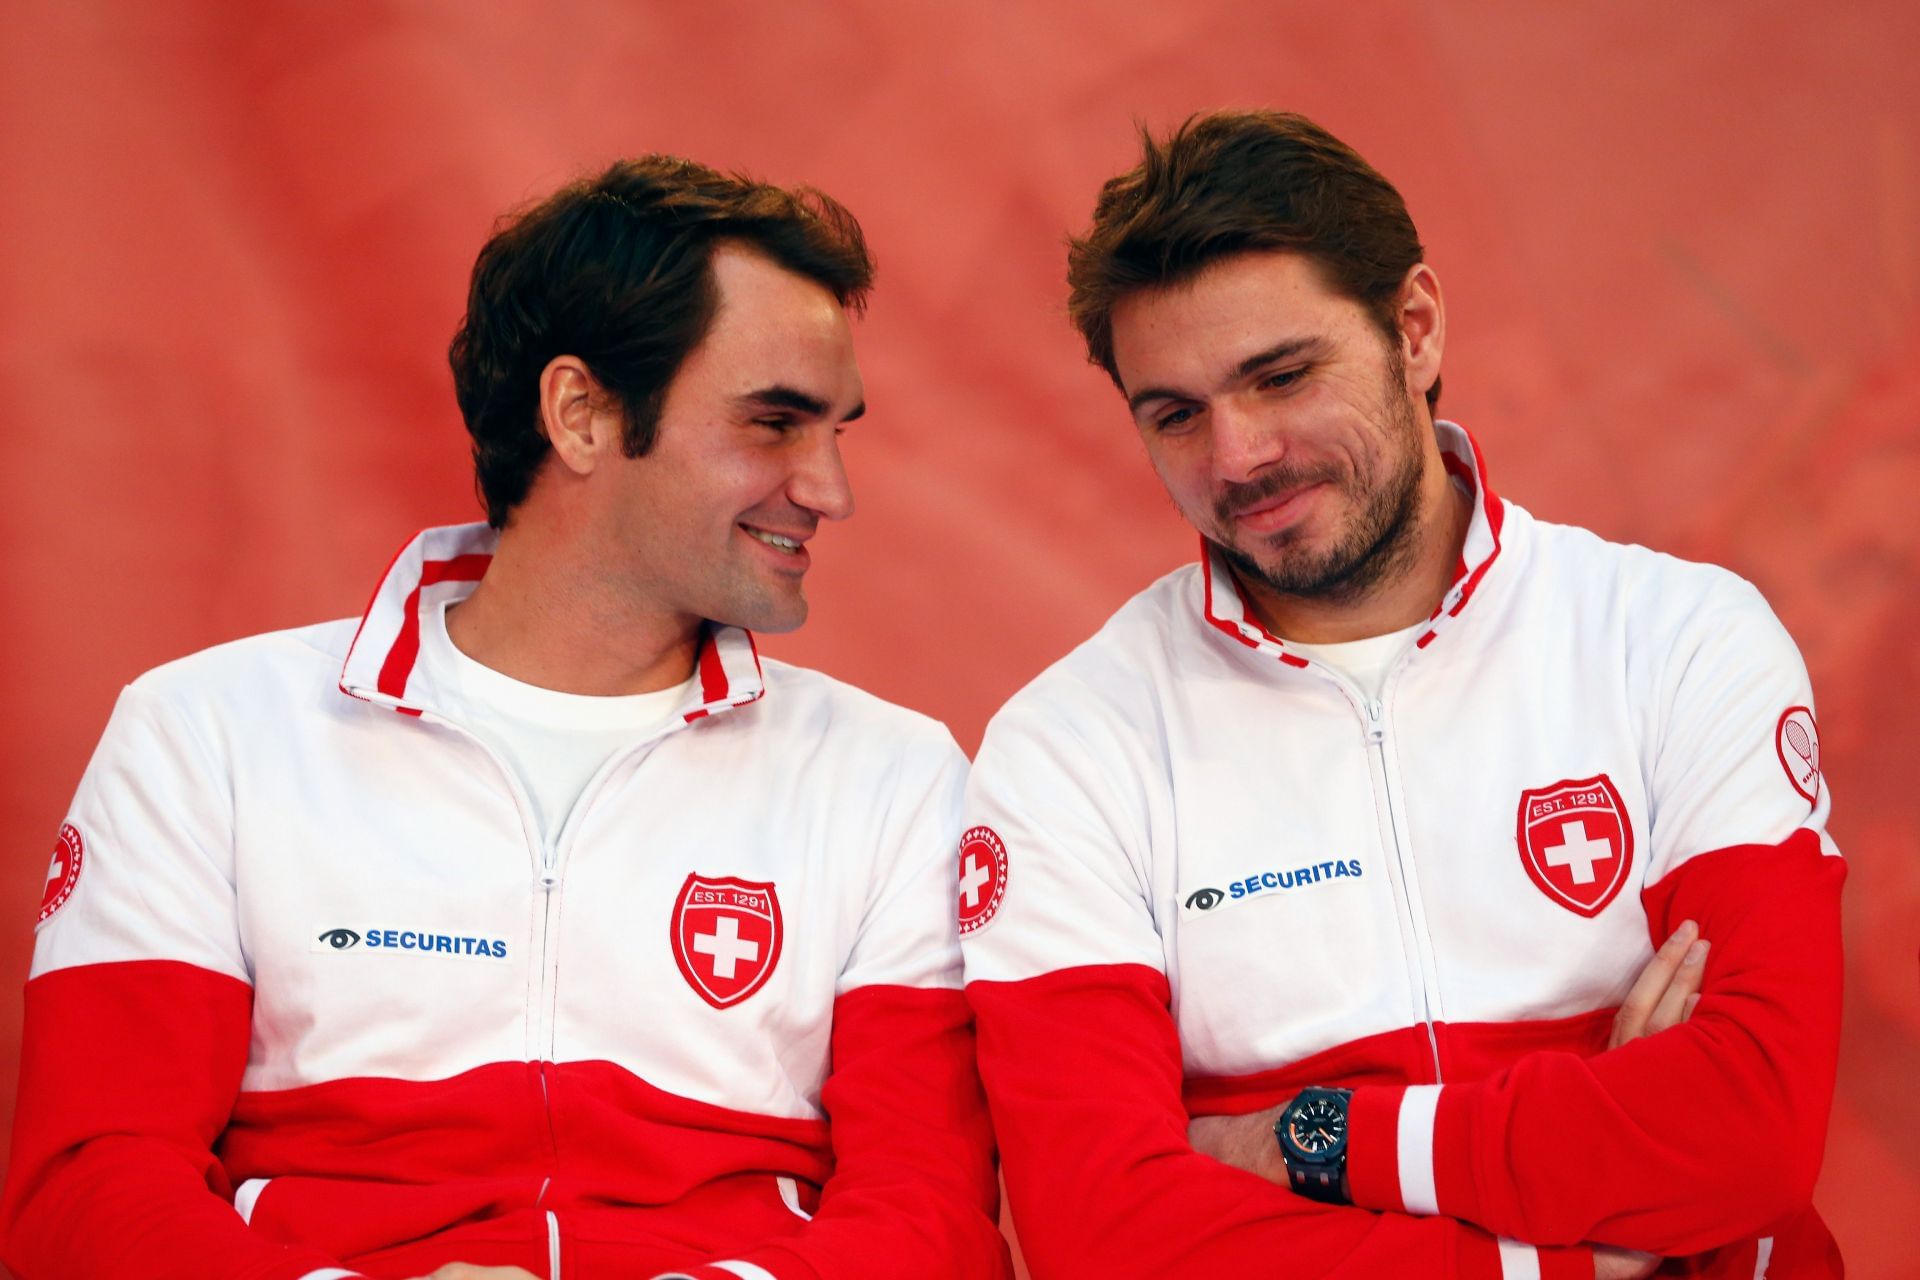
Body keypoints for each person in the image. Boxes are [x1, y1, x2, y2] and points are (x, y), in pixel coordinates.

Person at [3, 156, 1011, 1280]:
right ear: (580, 413)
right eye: (775, 422)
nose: (831, 487)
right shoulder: (203, 733)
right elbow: (88, 1188)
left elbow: (936, 1218)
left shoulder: (893, 776)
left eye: (837, 430)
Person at [958, 110, 1843, 1279]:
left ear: (1414, 328)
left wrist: (1311, 1139)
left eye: (1281, 375)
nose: (1237, 457)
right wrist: (1564, 1251)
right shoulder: (1068, 747)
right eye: (1174, 413)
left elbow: (1748, 1130)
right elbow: (1107, 1236)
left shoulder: (1680, 637)